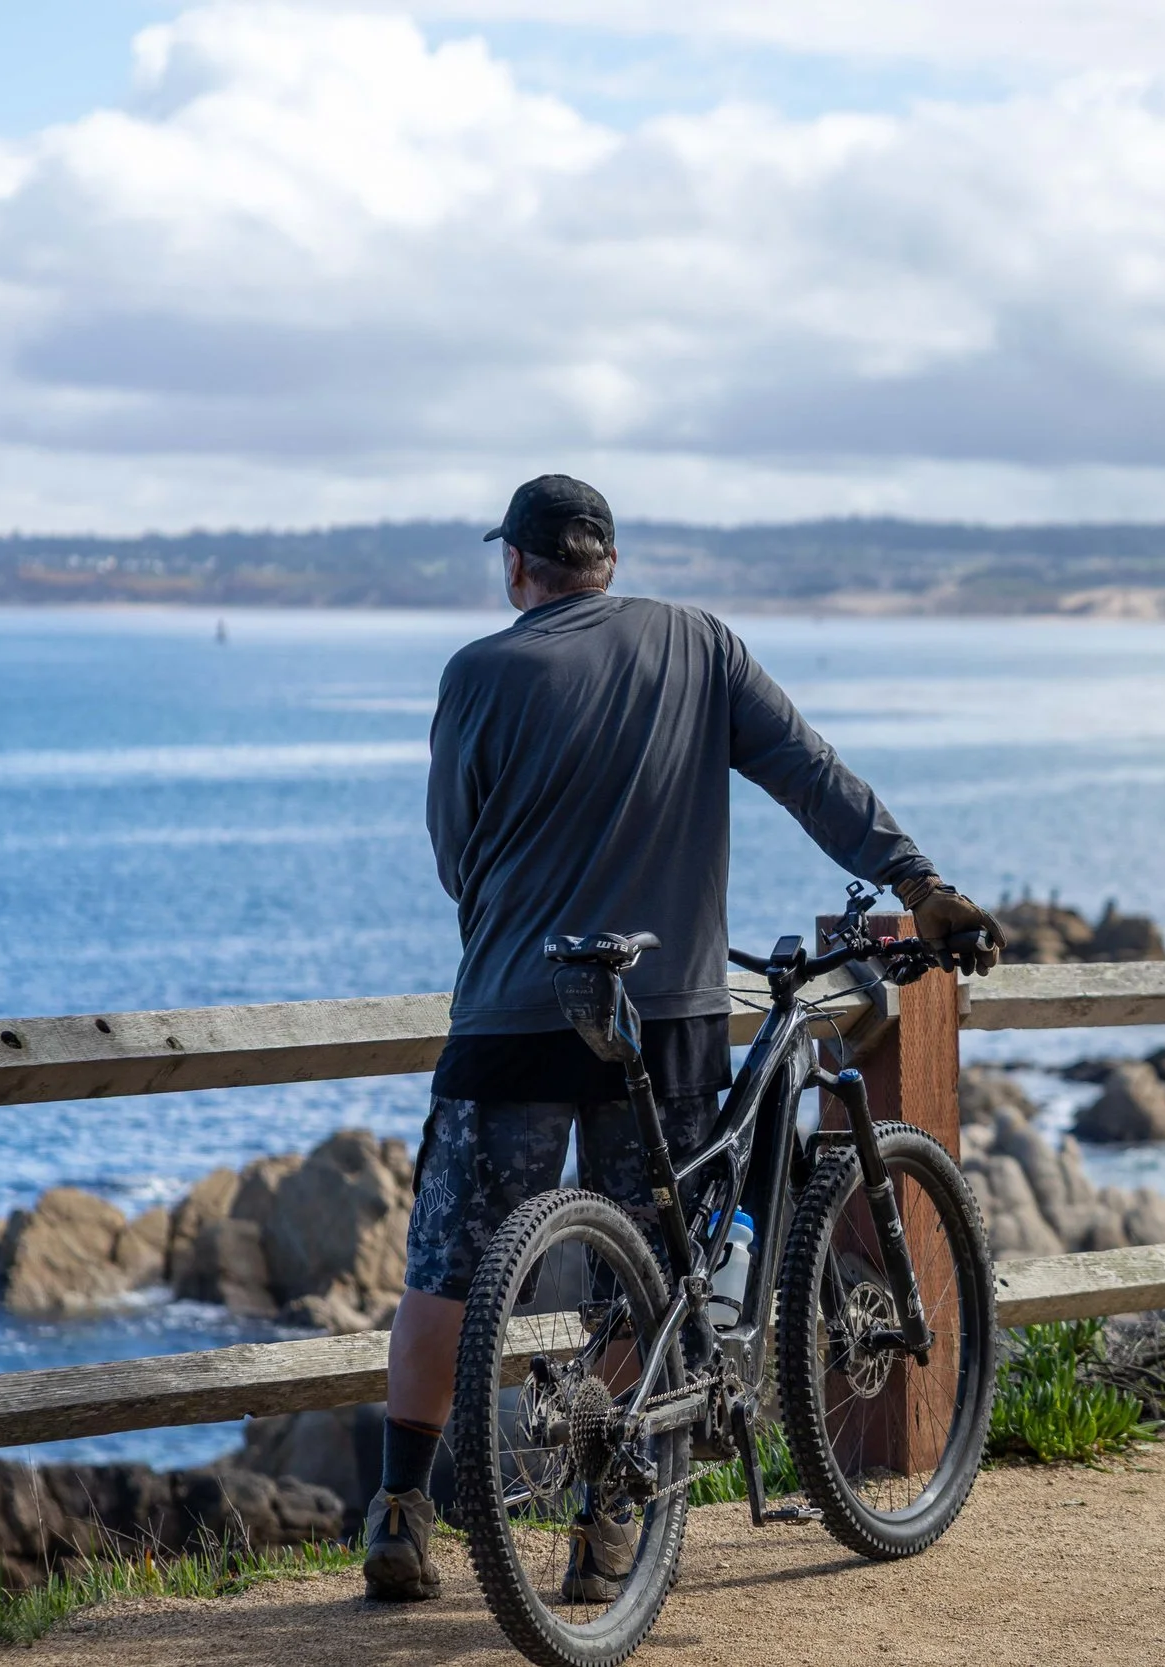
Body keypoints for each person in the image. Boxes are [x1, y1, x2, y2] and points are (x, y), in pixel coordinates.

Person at [363, 474, 1003, 1603]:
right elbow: (809, 774)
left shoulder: (477, 672)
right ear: (607, 559)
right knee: (652, 1274)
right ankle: (605, 1523)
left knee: (447, 1264)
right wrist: (918, 879)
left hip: (513, 1008)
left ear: (517, 565)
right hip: (664, 1021)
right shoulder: (701, 646)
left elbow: (454, 853)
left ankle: (402, 1511)